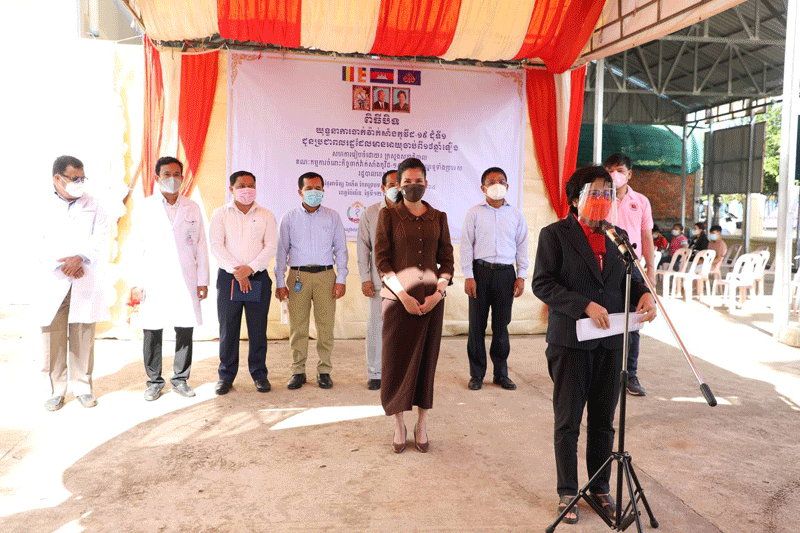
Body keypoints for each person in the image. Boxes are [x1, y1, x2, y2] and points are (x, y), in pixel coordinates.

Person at [532, 166, 656, 524]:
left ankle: (600, 488)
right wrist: (583, 305)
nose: (602, 199)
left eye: (607, 193)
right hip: (571, 342)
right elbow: (542, 284)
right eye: (595, 192)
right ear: (575, 199)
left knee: (604, 422)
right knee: (568, 421)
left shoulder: (618, 236)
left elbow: (631, 277)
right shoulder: (555, 235)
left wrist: (645, 294)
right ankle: (567, 492)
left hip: (611, 344)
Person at [374, 157, 454, 453]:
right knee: (395, 362)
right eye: (407, 182)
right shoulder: (388, 216)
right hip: (397, 302)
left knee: (426, 363)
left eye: (418, 181)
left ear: (426, 183)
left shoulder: (439, 217)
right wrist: (403, 296)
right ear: (398, 184)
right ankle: (398, 424)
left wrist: (438, 294)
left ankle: (422, 423)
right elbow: (382, 261)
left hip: (431, 302)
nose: (413, 186)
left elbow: (447, 262)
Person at [129, 156, 209, 401]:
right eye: (167, 174)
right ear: (157, 177)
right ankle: (154, 381)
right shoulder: (145, 207)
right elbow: (136, 245)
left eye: (176, 174)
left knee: (185, 327)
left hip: (185, 277)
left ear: (182, 178)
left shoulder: (192, 207)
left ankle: (180, 379)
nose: (172, 179)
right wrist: (136, 281)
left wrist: (202, 280)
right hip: (154, 277)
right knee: (152, 329)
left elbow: (201, 246)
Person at [37, 155, 110, 410]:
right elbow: (36, 241)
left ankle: (82, 387)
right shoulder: (41, 204)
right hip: (54, 277)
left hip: (84, 276)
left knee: (83, 334)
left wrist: (80, 258)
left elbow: (101, 237)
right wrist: (62, 264)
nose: (79, 183)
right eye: (74, 178)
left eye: (82, 178)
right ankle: (55, 390)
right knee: (52, 337)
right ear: (57, 178)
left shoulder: (95, 204)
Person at [275, 172, 348, 390]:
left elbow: (341, 250)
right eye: (309, 189)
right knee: (298, 327)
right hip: (298, 276)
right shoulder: (289, 218)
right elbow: (281, 252)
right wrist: (280, 282)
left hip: (326, 276)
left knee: (326, 326)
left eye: (318, 189)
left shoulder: (332, 216)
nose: (314, 193)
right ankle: (297, 371)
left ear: (323, 191)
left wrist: (341, 278)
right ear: (300, 192)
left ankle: (324, 371)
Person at [210, 171, 278, 395]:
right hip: (229, 277)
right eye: (241, 186)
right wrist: (238, 271)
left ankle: (259, 374)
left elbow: (271, 246)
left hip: (257, 276)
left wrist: (250, 269)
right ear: (231, 189)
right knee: (228, 328)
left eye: (251, 185)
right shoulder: (220, 214)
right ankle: (225, 376)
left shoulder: (266, 214)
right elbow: (216, 245)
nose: (246, 190)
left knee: (257, 329)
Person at [461, 167, 528, 391]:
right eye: (491, 182)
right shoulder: (474, 213)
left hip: (506, 275)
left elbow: (522, 247)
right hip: (480, 273)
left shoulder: (516, 215)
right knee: (476, 326)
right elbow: (466, 247)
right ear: (483, 188)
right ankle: (477, 374)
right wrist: (468, 276)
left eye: (501, 181)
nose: (497, 185)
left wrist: (521, 276)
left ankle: (501, 374)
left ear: (507, 186)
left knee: (501, 327)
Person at [604, 153, 654, 397]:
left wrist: (650, 269)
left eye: (620, 170)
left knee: (633, 321)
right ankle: (606, 372)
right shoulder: (601, 198)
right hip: (604, 265)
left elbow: (646, 236)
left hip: (632, 266)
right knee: (606, 318)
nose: (615, 175)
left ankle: (630, 374)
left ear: (629, 173)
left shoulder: (641, 201)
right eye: (610, 170)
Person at [356, 169, 399, 390]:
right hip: (378, 280)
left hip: (406, 280)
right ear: (383, 188)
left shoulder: (412, 211)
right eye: (392, 185)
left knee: (404, 328)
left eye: (400, 184)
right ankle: (375, 373)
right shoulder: (371, 213)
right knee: (376, 327)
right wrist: (365, 279)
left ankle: (401, 373)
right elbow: (363, 248)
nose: (397, 188)